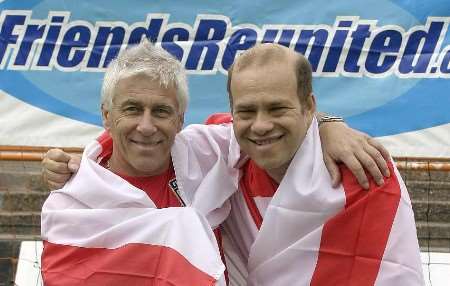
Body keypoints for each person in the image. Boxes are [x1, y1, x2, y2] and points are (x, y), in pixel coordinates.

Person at [42, 41, 392, 285]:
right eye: (132, 109)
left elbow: (266, 122)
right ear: (107, 115)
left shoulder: (207, 152)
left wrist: (328, 124)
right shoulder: (72, 204)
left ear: (180, 120)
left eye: (161, 111)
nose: (146, 126)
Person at [215, 43, 423, 285]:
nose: (260, 125)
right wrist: (329, 122)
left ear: (309, 106)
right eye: (246, 112)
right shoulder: (219, 156)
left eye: (278, 109)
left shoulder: (365, 169)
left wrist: (328, 122)